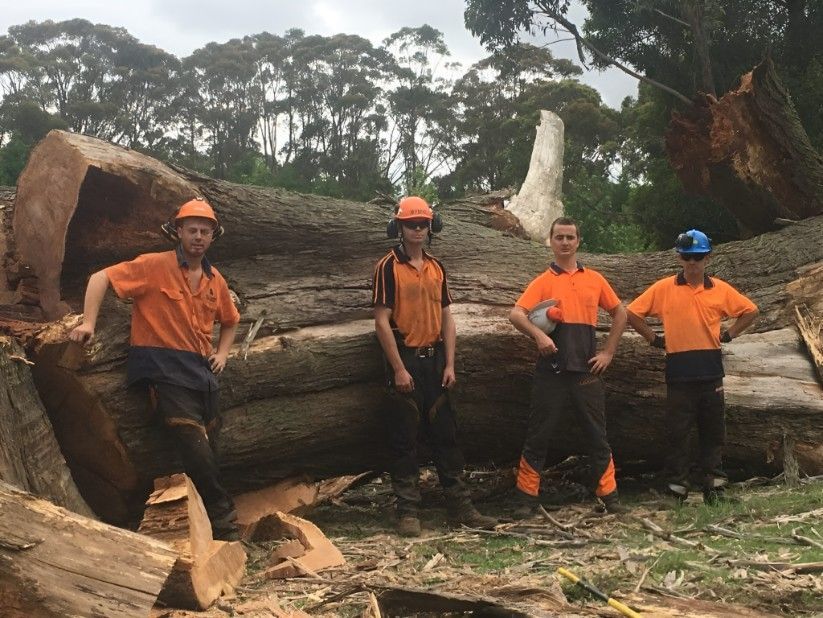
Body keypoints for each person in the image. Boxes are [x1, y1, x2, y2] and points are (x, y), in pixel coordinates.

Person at [69, 199, 241, 539]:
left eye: (205, 232)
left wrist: (223, 353)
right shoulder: (153, 266)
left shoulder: (214, 279)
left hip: (202, 375)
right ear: (178, 231)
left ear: (212, 237)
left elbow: (231, 321)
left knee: (208, 451)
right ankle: (225, 523)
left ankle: (197, 522)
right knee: (193, 443)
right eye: (191, 230)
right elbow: (100, 277)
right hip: (162, 368)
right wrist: (89, 322)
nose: (198, 237)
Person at [372, 196, 497, 537]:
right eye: (410, 224)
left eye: (423, 223)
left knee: (446, 435)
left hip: (436, 359)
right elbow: (381, 321)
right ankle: (408, 510)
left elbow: (447, 318)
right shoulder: (387, 266)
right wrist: (398, 368)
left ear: (431, 226)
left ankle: (460, 506)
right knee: (404, 438)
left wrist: (451, 363)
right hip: (405, 358)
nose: (417, 229)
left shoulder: (436, 267)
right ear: (398, 227)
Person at [626, 229, 758, 505]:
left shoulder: (720, 289)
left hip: (710, 369)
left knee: (713, 430)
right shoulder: (664, 289)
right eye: (687, 257)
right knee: (678, 431)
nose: (692, 263)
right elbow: (632, 313)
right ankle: (677, 487)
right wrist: (653, 339)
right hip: (680, 370)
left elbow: (750, 311)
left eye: (698, 257)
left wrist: (730, 334)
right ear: (679, 257)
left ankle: (714, 484)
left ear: (708, 257)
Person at [510, 217, 628, 516]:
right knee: (539, 433)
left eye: (570, 237)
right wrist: (538, 336)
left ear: (578, 241)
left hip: (587, 371)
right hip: (552, 370)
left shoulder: (595, 279)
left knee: (596, 434)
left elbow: (620, 313)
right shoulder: (543, 281)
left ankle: (610, 497)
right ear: (550, 241)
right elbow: (516, 314)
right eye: (559, 237)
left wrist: (608, 353)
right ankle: (525, 500)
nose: (564, 242)